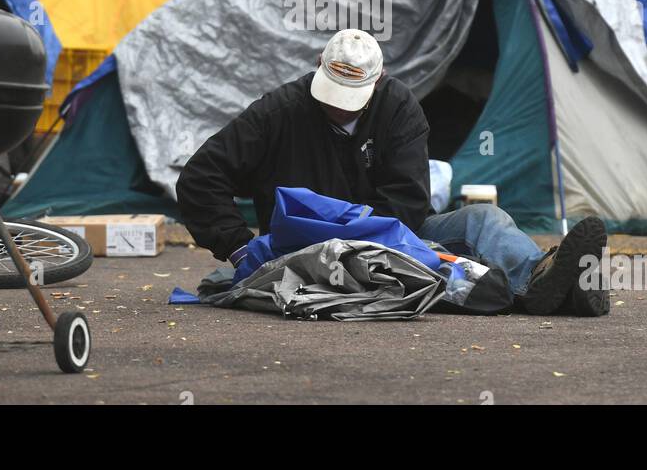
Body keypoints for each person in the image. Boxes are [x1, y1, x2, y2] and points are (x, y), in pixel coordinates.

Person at [176, 28, 610, 316]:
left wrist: (378, 236)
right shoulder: (279, 111)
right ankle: (565, 292)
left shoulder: (399, 107)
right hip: (302, 249)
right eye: (332, 93)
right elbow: (200, 178)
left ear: (378, 81)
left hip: (392, 236)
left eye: (352, 96)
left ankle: (542, 277)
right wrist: (237, 248)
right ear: (318, 68)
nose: (337, 106)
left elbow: (408, 202)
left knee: (484, 220)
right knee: (445, 270)